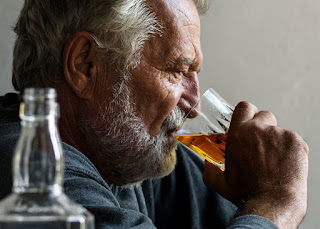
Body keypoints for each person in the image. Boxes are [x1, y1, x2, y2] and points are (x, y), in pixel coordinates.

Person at [0, 0, 309, 228]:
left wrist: (251, 198)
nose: (193, 105)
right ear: (85, 65)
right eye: (177, 70)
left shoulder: (127, 155)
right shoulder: (34, 177)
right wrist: (277, 203)